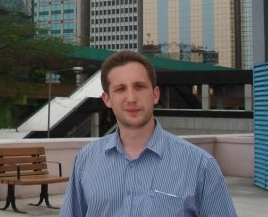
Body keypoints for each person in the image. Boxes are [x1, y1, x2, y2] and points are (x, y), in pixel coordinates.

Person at [60, 50, 237, 216]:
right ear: (107, 99)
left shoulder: (200, 166)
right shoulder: (86, 160)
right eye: (120, 89)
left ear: (155, 94)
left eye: (139, 87)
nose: (131, 98)